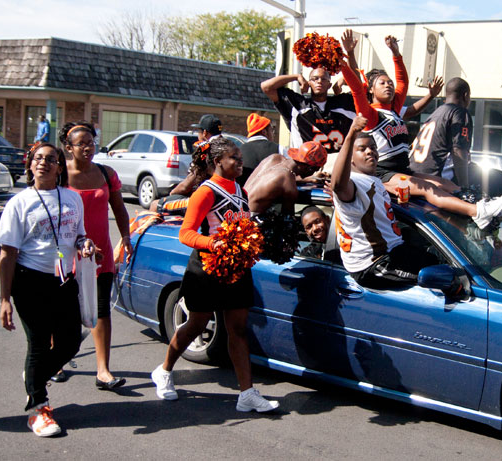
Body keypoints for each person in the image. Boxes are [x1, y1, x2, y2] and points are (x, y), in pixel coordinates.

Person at [339, 32, 502, 231]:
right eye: (382, 83)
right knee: (430, 190)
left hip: (403, 170)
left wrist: (396, 54)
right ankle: (477, 213)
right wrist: (347, 57)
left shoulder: (394, 110)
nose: (389, 85)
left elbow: (403, 81)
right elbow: (356, 88)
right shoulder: (370, 114)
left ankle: (482, 208)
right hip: (384, 173)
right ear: (371, 90)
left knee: (447, 184)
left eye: (389, 82)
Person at [150, 136, 279, 412]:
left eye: (240, 157)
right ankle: (164, 370)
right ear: (218, 161)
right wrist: (212, 243)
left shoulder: (239, 189)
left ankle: (247, 394)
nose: (240, 162)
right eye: (234, 158)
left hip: (236, 269)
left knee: (238, 329)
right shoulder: (205, 192)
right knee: (196, 325)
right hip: (207, 269)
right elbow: (186, 233)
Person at [0, 142, 96, 437]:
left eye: (51, 159)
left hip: (64, 280)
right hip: (30, 282)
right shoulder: (19, 203)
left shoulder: (72, 198)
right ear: (29, 165)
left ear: (59, 166)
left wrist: (85, 244)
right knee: (38, 344)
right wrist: (5, 299)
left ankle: (35, 376)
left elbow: (79, 235)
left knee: (70, 343)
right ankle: (38, 410)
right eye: (38, 159)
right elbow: (7, 254)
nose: (44, 163)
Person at [59, 122, 133, 391]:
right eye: (82, 143)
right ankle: (57, 360)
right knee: (64, 309)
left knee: (101, 309)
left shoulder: (106, 173)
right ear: (69, 148)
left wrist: (125, 236)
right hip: (66, 253)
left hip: (99, 252)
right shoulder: (59, 175)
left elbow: (120, 208)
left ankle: (103, 370)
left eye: (91, 142)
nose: (89, 147)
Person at [331, 115, 437, 286]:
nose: (369, 151)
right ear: (350, 157)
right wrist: (351, 135)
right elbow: (338, 186)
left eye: (373, 147)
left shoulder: (375, 181)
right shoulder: (353, 184)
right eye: (362, 149)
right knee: (436, 281)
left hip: (395, 250)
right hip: (373, 263)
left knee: (437, 260)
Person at [261, 64, 356, 154]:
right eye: (315, 79)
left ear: (329, 85)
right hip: (306, 165)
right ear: (309, 83)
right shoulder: (297, 104)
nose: (319, 81)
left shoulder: (343, 103)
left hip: (336, 163)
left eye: (323, 79)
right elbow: (266, 87)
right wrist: (296, 77)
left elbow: (362, 89)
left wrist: (345, 79)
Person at [409, 77, 473, 188]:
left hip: (415, 175)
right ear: (465, 95)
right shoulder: (459, 112)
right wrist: (465, 187)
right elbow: (458, 150)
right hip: (436, 178)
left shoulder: (436, 113)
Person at [243, 141, 327, 215]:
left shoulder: (274, 158)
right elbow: (288, 218)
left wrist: (305, 179)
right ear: (309, 168)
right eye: (316, 169)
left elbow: (276, 178)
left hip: (236, 210)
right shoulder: (289, 186)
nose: (314, 173)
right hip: (249, 222)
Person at [238, 112, 285, 187]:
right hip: (272, 195)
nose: (273, 134)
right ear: (264, 132)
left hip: (245, 196)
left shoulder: (239, 151)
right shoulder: (279, 148)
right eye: (271, 131)